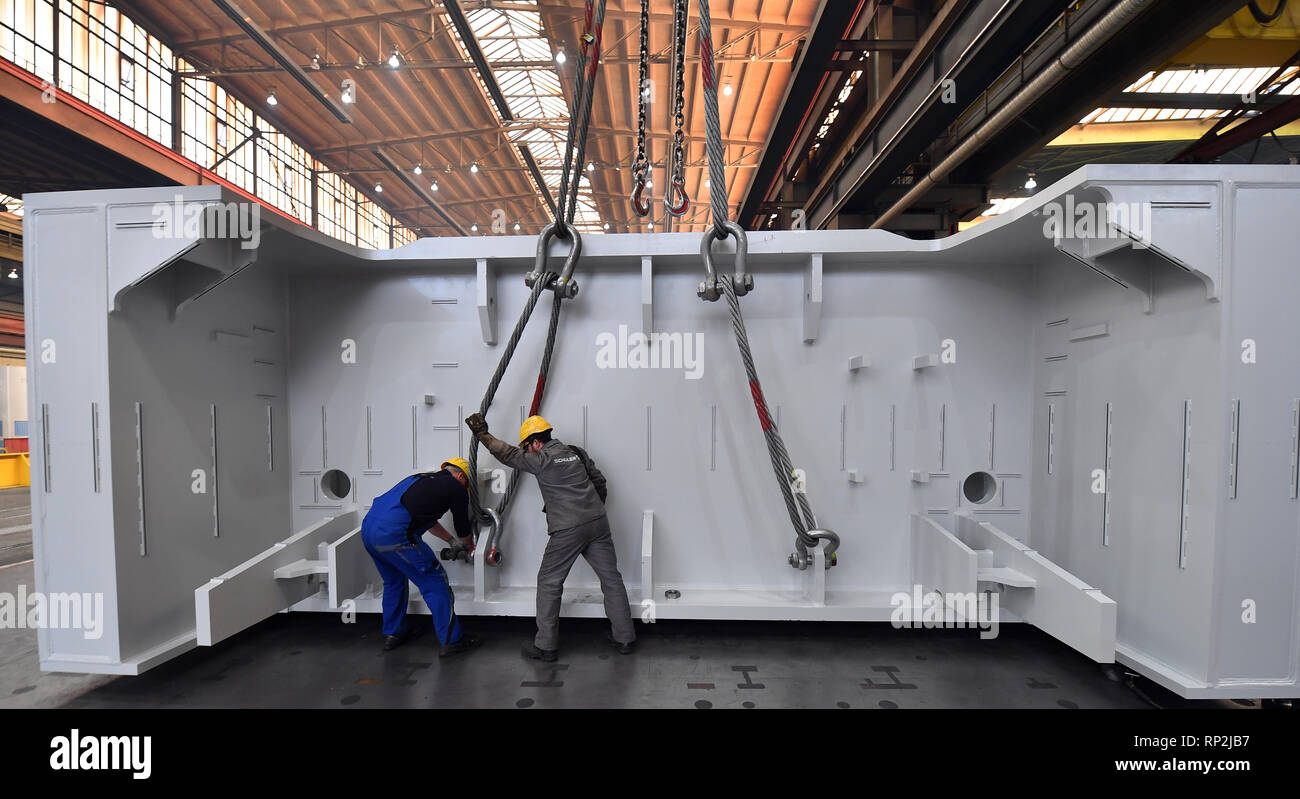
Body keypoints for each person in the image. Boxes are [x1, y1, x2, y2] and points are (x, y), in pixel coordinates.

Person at [465, 412, 636, 662]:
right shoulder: (575, 451)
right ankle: (625, 638)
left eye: (529, 447)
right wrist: (591, 510)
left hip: (568, 528)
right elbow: (599, 481)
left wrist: (482, 434)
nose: (529, 451)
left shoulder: (542, 459)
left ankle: (545, 646)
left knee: (549, 582)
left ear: (535, 442)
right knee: (611, 579)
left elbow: (507, 453)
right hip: (598, 522)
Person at [360, 458, 482, 657]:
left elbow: (428, 521)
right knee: (435, 581)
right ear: (461, 477)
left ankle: (394, 633)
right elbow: (463, 528)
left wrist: (451, 542)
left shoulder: (420, 479)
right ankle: (452, 640)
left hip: (369, 530)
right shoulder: (456, 487)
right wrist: (468, 547)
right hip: (395, 536)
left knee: (393, 581)